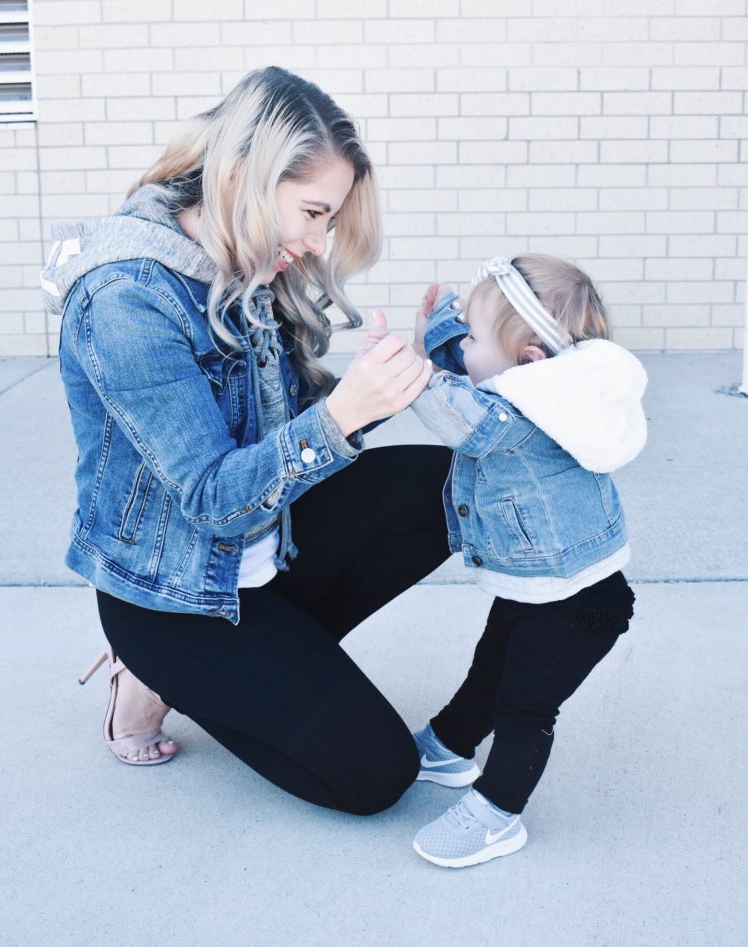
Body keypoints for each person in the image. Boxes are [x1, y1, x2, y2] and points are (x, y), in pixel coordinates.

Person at [44, 66, 448, 816]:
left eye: (331, 218)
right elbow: (210, 498)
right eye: (314, 212)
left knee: (447, 484)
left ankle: (255, 667)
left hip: (267, 548)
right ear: (243, 177)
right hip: (176, 596)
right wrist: (340, 420)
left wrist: (414, 367)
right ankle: (153, 669)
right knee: (377, 774)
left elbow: (296, 425)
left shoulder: (246, 254)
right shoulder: (127, 296)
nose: (319, 240)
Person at [359, 254, 647, 866]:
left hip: (580, 605)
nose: (463, 348)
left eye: (472, 338)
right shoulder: (544, 381)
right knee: (491, 666)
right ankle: (450, 744)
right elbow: (471, 373)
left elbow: (457, 413)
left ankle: (498, 812)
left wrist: (409, 364)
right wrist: (441, 334)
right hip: (544, 584)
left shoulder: (523, 413)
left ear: (529, 360)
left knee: (525, 706)